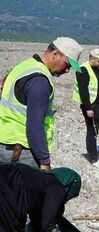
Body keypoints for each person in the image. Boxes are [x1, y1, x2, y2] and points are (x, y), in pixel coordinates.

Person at [0, 37, 83, 168]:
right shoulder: (40, 80)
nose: (67, 70)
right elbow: (35, 125)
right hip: (22, 152)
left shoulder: (26, 65)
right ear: (55, 54)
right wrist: (44, 161)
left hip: (6, 143)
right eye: (67, 64)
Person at [72, 48, 99, 164]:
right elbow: (83, 90)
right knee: (93, 132)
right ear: (92, 58)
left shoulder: (98, 70)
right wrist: (88, 108)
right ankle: (93, 156)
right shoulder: (83, 69)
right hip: (93, 106)